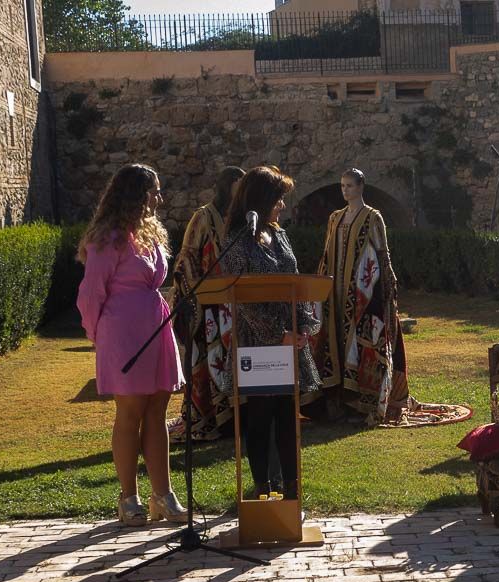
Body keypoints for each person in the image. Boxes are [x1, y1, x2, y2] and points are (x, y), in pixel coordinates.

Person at [76, 164, 188, 526]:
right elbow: (91, 293)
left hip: (156, 324)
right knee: (130, 413)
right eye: (154, 190)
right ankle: (128, 498)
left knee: (157, 412)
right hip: (122, 331)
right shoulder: (107, 237)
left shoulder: (151, 232)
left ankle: (163, 495)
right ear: (136, 193)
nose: (159, 197)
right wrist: (97, 336)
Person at [219, 166, 322, 499]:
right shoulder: (237, 237)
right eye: (278, 198)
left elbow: (295, 280)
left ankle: (292, 491)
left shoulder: (279, 234)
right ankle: (262, 489)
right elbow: (242, 299)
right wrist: (278, 334)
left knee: (288, 417)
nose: (282, 205)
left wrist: (304, 324)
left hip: (290, 338)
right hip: (258, 344)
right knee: (260, 417)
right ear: (261, 198)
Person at [311, 168, 410, 426]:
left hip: (363, 295)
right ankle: (338, 398)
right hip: (336, 292)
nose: (345, 190)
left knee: (362, 342)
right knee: (336, 342)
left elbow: (382, 252)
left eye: (350, 186)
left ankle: (364, 400)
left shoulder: (372, 217)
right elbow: (327, 252)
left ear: (361, 187)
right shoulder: (335, 218)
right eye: (342, 186)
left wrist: (388, 285)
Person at [169, 166, 245, 442]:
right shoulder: (203, 216)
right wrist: (196, 294)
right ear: (228, 185)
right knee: (205, 360)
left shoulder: (240, 218)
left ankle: (232, 418)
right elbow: (187, 256)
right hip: (206, 304)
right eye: (238, 183)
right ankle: (206, 415)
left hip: (233, 303)